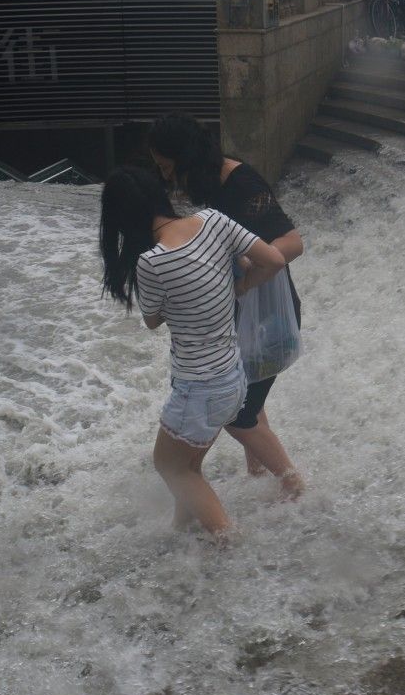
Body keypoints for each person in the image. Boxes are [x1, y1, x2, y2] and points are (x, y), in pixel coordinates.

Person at [99, 166, 286, 536]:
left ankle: (227, 543)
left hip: (198, 388)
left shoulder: (151, 261)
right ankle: (182, 534)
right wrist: (241, 285)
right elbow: (276, 260)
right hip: (233, 377)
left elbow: (153, 320)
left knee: (170, 467)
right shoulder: (213, 219)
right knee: (188, 468)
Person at [147, 114, 306, 499]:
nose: (166, 178)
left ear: (185, 157)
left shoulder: (240, 182)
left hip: (269, 316)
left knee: (238, 413)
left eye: (167, 167)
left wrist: (247, 269)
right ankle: (261, 482)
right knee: (246, 396)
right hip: (242, 315)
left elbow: (292, 243)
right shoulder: (207, 182)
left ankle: (296, 490)